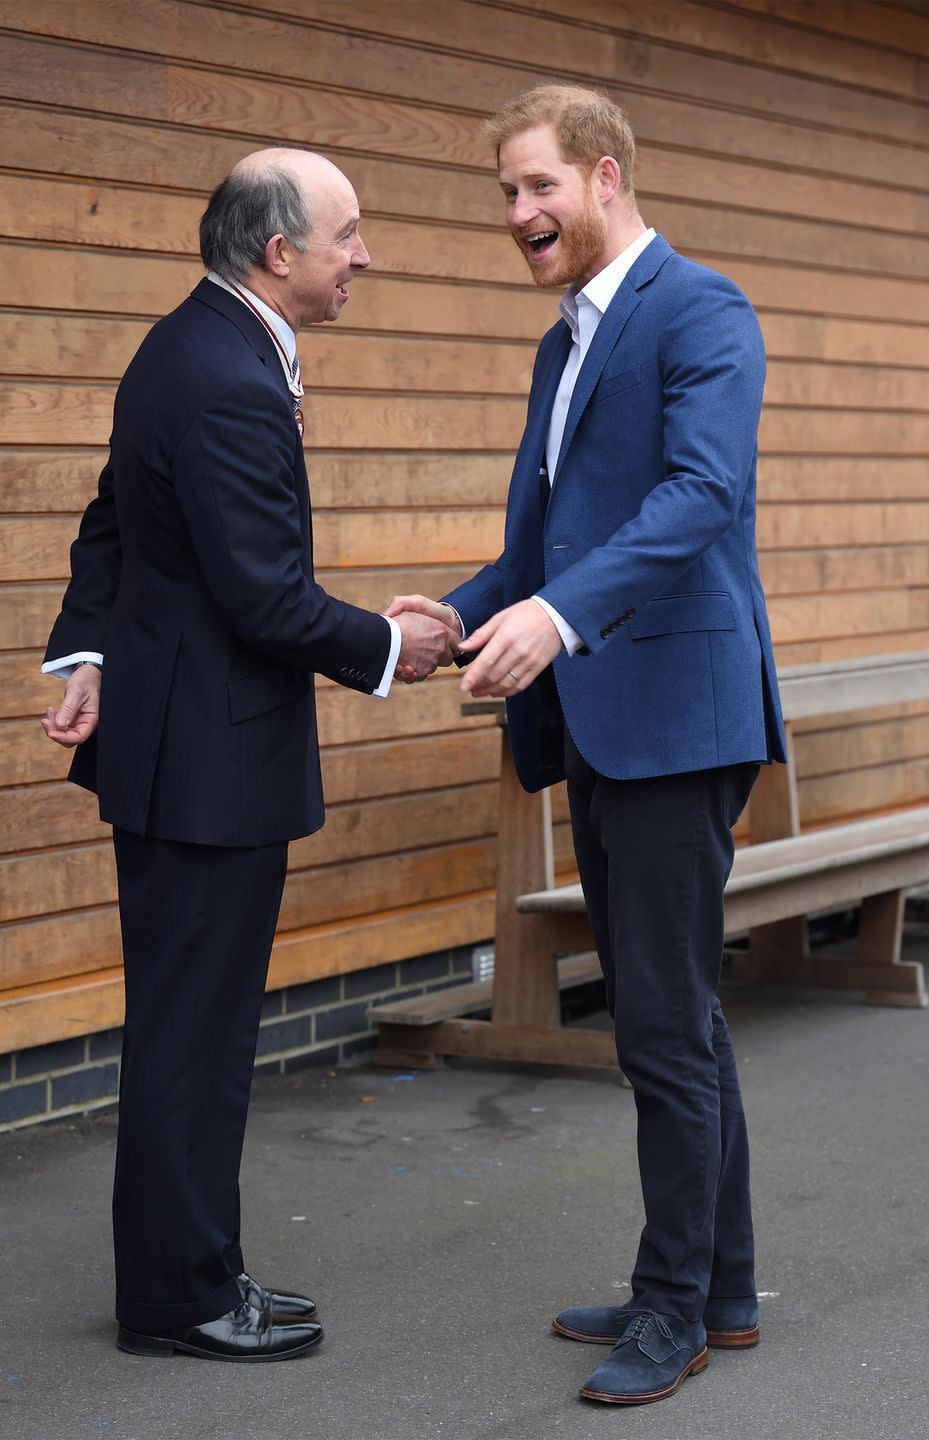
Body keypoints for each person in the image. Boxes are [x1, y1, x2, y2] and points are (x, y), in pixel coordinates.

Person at [388, 85, 786, 1407]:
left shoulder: (702, 310)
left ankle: (671, 1307)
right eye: (505, 192)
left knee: (662, 1027)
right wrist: (459, 610)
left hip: (676, 720)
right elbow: (545, 545)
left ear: (605, 177)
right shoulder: (566, 346)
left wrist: (555, 618)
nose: (518, 215)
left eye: (536, 187)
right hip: (608, 721)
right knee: (675, 1025)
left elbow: (700, 496)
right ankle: (713, 1285)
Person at [40, 148, 458, 1362]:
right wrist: (393, 645)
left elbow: (116, 524)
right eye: (349, 236)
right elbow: (266, 600)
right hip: (208, 771)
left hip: (181, 754)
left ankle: (200, 1271)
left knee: (198, 1033)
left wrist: (87, 659)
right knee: (196, 1042)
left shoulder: (189, 346)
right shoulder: (225, 375)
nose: (362, 257)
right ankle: (179, 1300)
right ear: (281, 253)